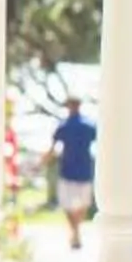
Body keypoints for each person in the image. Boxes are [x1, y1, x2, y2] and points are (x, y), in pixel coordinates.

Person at [49, 96, 98, 251]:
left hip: (72, 170)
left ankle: (75, 231)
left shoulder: (67, 126)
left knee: (73, 204)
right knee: (76, 204)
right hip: (78, 169)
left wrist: (45, 161)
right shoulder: (87, 126)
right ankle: (76, 232)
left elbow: (52, 149)